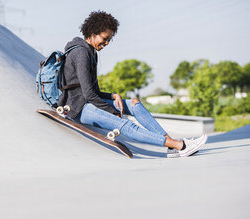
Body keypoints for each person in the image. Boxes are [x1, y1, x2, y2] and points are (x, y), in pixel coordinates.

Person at [57, 10, 207, 158]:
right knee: (124, 124)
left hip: (87, 101)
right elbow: (89, 94)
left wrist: (113, 95)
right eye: (105, 38)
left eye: (109, 39)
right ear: (93, 32)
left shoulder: (91, 52)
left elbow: (93, 90)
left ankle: (171, 146)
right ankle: (180, 145)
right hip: (78, 107)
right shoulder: (81, 53)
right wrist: (112, 111)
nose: (107, 43)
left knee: (134, 104)